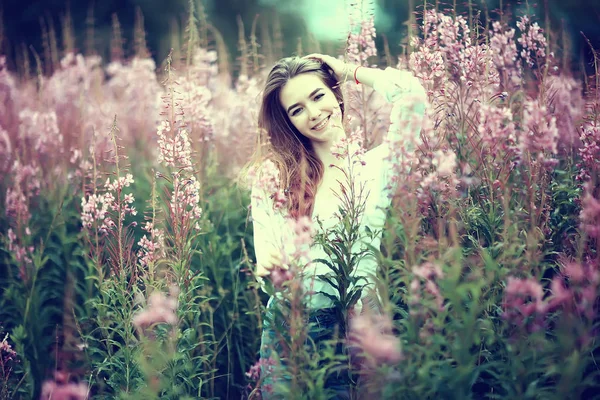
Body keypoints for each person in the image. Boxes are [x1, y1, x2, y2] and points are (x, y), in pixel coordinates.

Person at [244, 53, 427, 399]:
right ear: (288, 122)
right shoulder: (275, 179)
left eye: (318, 96)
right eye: (296, 110)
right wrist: (268, 272)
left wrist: (347, 70)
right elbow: (266, 259)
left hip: (357, 324)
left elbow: (412, 94)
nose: (313, 114)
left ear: (335, 94)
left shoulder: (378, 165)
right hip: (291, 328)